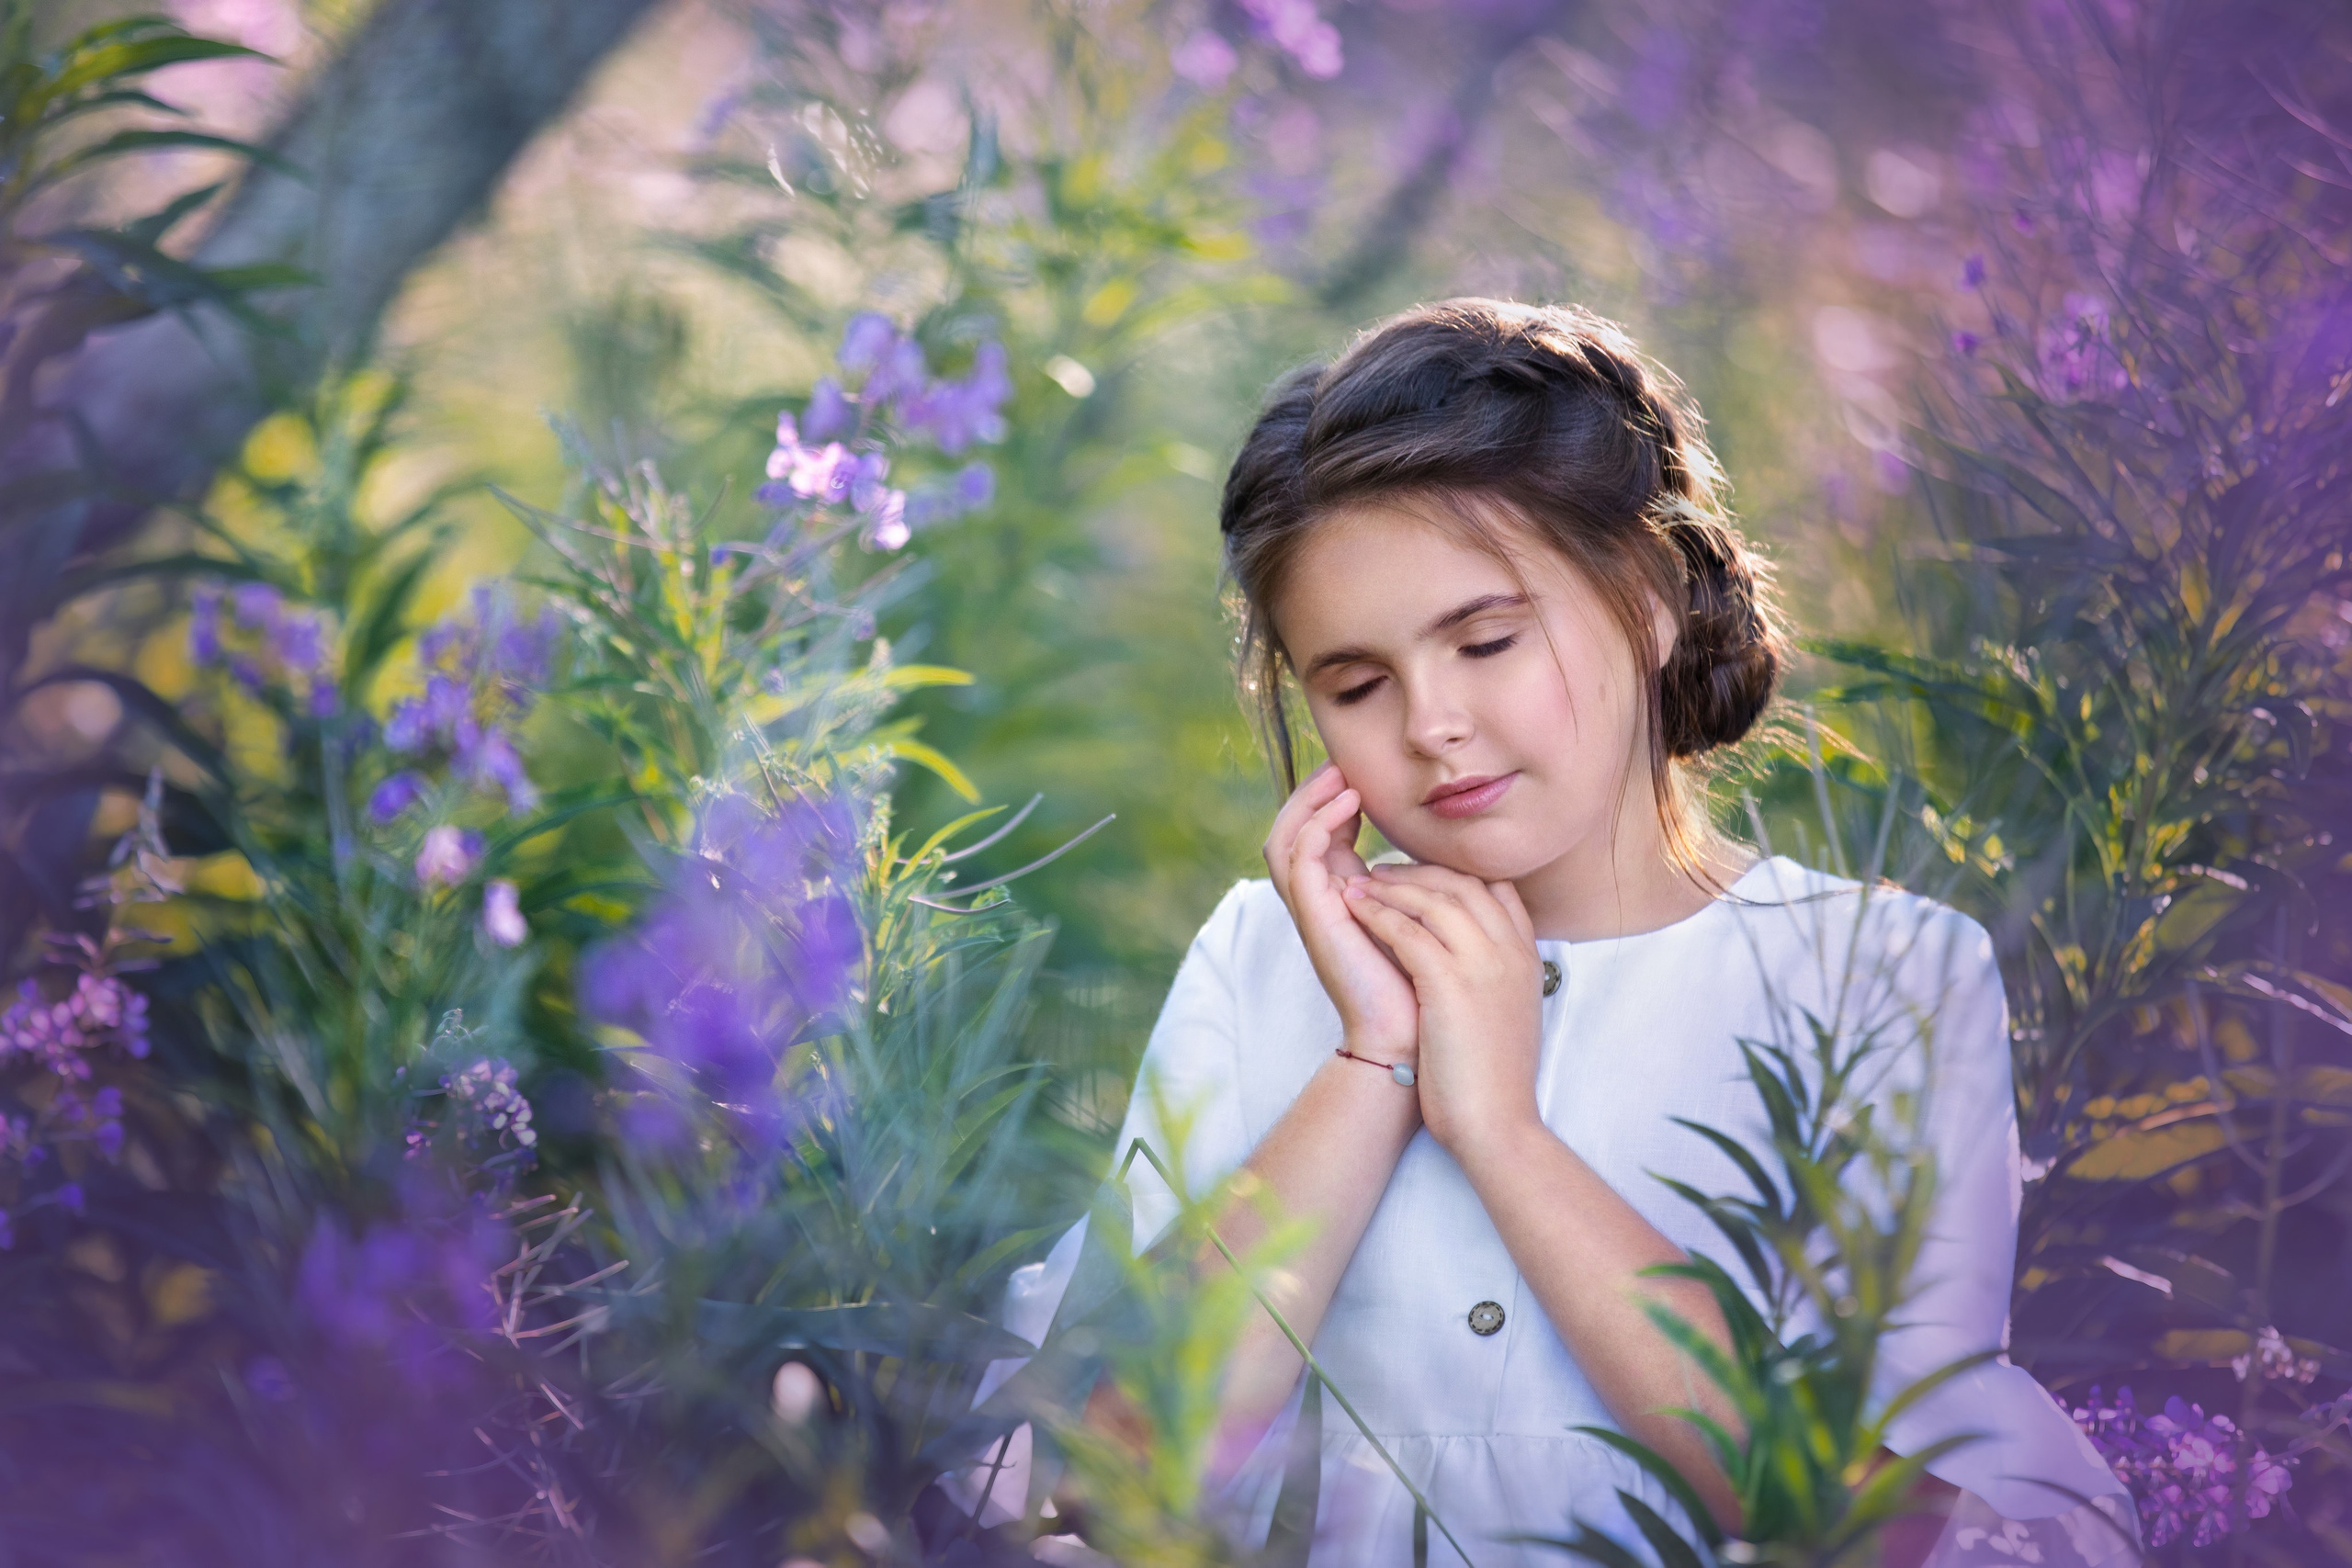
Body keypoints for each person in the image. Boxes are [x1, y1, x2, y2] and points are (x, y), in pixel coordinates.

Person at [954, 299, 2135, 1567]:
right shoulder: (1267, 955)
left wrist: (1504, 1132)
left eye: (1487, 640)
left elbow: (1859, 1519)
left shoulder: (1877, 978)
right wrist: (1374, 1061)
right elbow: (1110, 1478)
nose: (1433, 723)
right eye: (1355, 685)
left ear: (1653, 595)